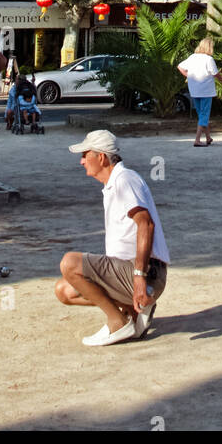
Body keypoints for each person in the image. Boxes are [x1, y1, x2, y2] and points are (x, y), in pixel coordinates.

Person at [54, 129, 169, 345]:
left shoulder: (124, 180)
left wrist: (139, 277)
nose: (81, 162)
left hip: (147, 272)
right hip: (128, 271)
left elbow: (146, 224)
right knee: (64, 291)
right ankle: (132, 312)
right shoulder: (114, 184)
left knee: (70, 263)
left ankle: (117, 322)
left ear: (101, 157)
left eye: (84, 155)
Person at [178, 36, 222, 146]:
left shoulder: (193, 57)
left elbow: (180, 66)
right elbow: (216, 74)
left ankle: (208, 137)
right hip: (206, 91)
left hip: (194, 90)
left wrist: (188, 76)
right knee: (204, 115)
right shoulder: (209, 59)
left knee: (201, 114)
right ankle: (197, 140)